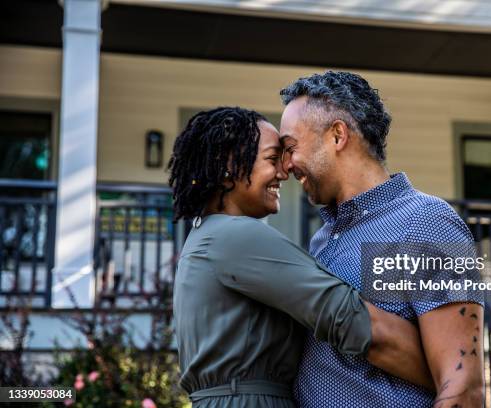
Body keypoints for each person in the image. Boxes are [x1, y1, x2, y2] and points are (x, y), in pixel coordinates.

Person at [169, 107, 434, 408]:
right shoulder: (235, 236)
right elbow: (351, 321)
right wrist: (450, 374)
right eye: (272, 159)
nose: (284, 173)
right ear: (228, 166)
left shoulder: (206, 236)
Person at [279, 71, 485, 407]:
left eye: (291, 147)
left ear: (337, 135)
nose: (286, 166)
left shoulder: (426, 222)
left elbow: (463, 387)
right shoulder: (322, 240)